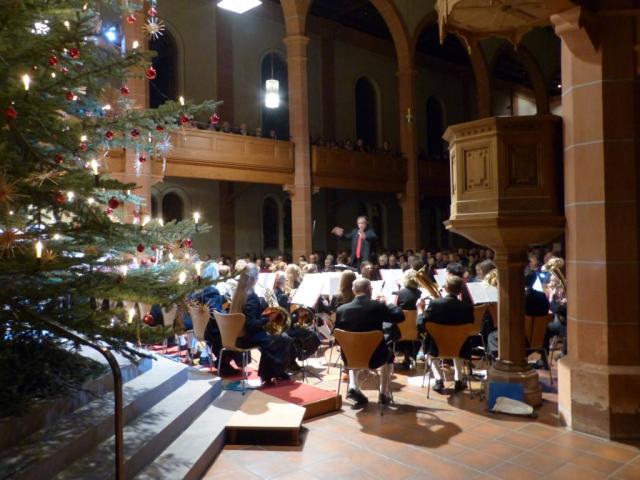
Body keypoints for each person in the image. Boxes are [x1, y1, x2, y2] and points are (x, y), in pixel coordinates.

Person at [335, 278, 404, 406]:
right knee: (388, 353)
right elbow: (399, 317)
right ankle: (384, 394)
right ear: (368, 289)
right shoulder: (378, 306)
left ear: (354, 291)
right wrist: (388, 303)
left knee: (352, 348)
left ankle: (353, 386)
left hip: (350, 358)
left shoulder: (341, 310)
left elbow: (337, 336)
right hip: (375, 358)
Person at [231, 263, 294, 384]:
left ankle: (273, 371)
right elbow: (251, 325)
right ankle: (270, 373)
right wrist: (268, 318)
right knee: (285, 339)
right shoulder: (251, 296)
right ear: (253, 279)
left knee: (278, 338)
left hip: (237, 336)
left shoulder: (238, 293)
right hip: (247, 338)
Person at [416, 275, 474, 393]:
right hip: (460, 347)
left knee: (427, 348)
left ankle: (438, 380)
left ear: (446, 288)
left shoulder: (435, 304)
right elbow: (470, 326)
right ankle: (458, 380)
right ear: (460, 291)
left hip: (437, 347)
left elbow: (421, 324)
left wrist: (420, 310)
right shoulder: (467, 307)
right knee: (460, 340)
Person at [395, 269, 422, 370]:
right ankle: (412, 356)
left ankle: (392, 359)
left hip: (399, 332)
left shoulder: (398, 294)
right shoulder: (421, 294)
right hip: (418, 331)